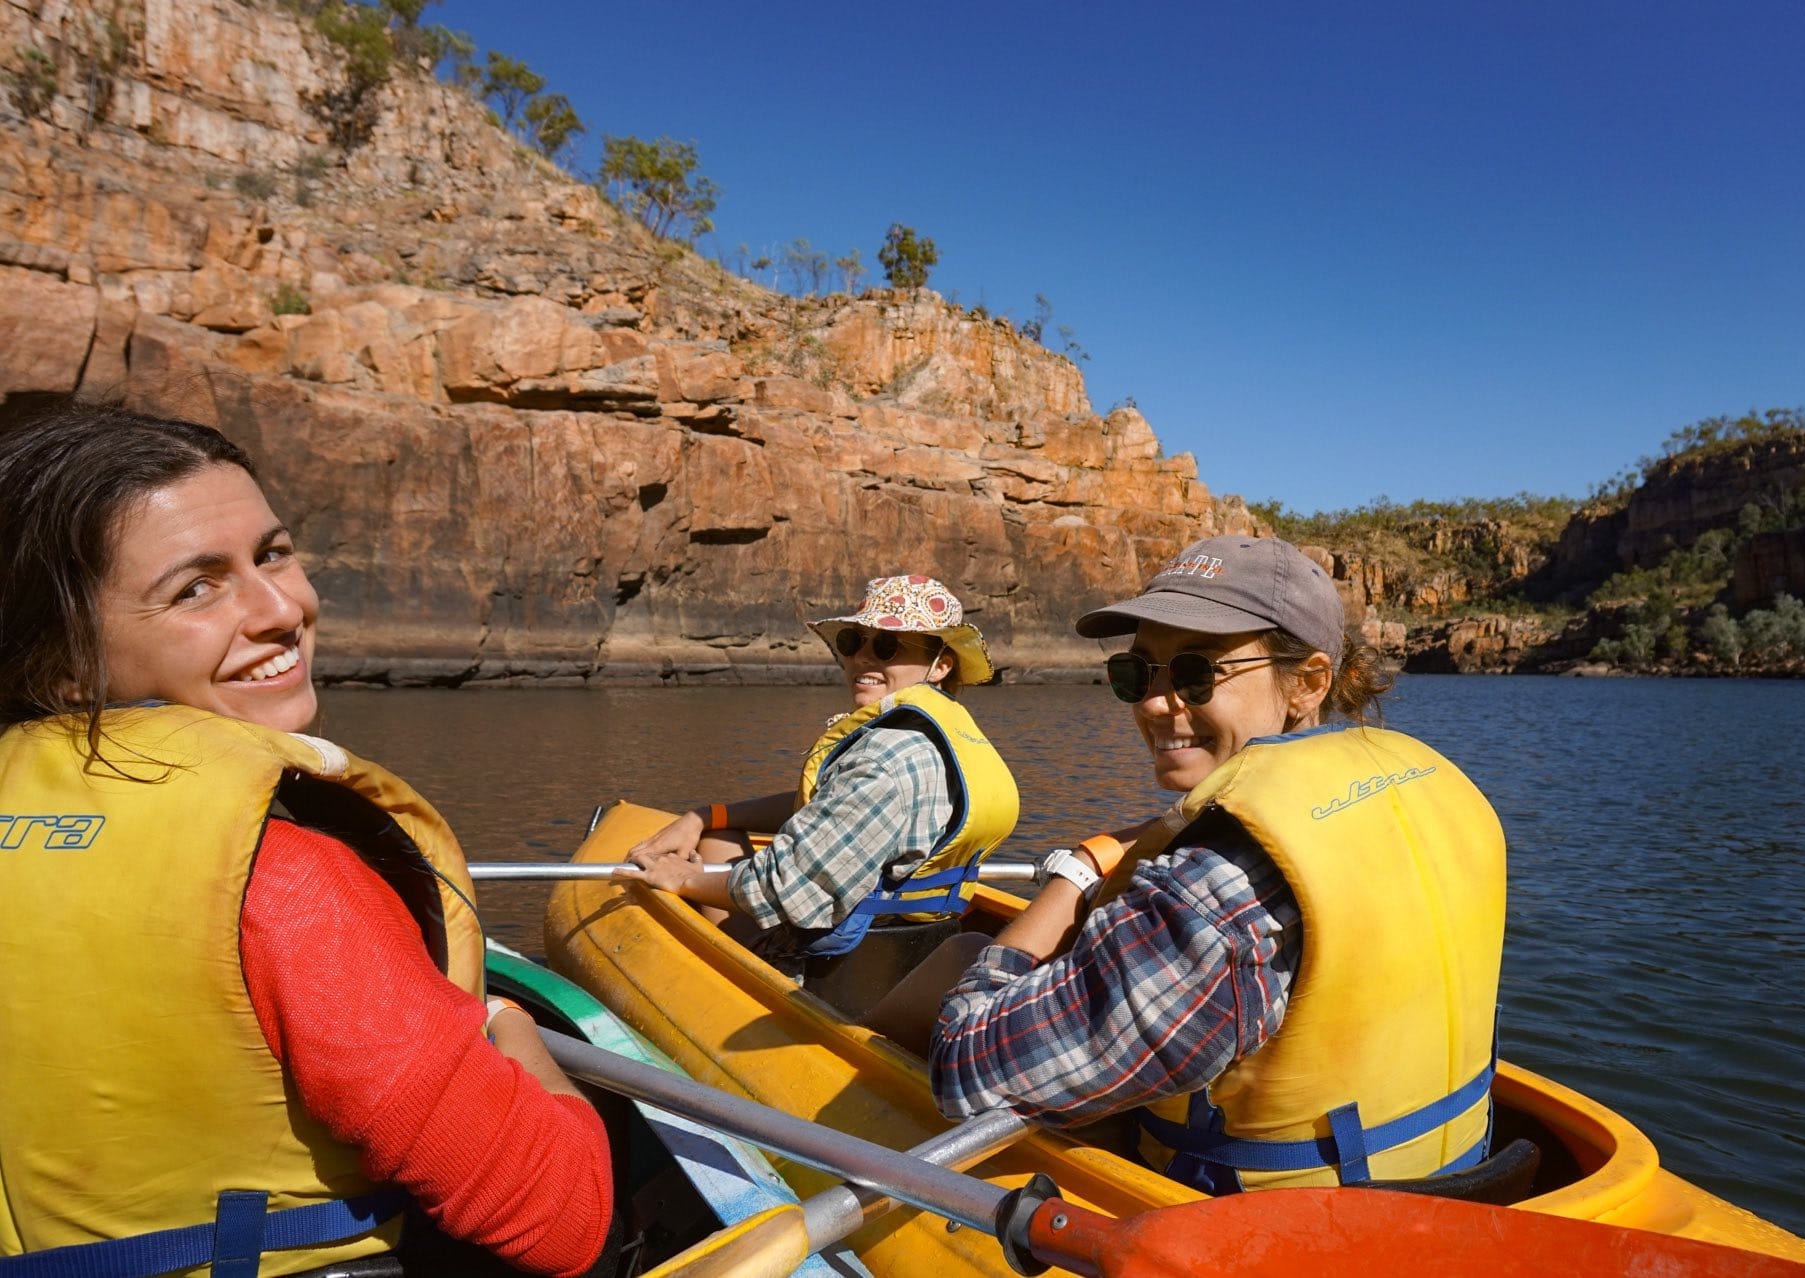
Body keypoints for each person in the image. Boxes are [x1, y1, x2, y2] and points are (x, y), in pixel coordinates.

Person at [0, 401, 614, 1276]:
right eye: (196, 588)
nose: (279, 610)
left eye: (273, 554)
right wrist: (518, 1042)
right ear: (64, 665)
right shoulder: (284, 882)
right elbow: (559, 1215)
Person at [924, 535, 1506, 1194]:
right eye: (1135, 674)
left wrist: (1077, 875)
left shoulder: (1220, 886)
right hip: (1451, 1198)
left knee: (961, 955)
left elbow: (963, 1067)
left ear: (1308, 683)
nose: (1152, 703)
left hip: (1276, 1243)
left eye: (1197, 673)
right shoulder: (1441, 791)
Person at [621, 574, 1019, 971]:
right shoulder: (933, 738)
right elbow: (831, 807)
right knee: (717, 834)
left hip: (832, 957)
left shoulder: (884, 758)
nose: (863, 657)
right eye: (853, 642)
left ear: (940, 666)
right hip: (904, 939)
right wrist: (708, 815)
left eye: (886, 645)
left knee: (711, 858)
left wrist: (683, 878)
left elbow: (781, 889)